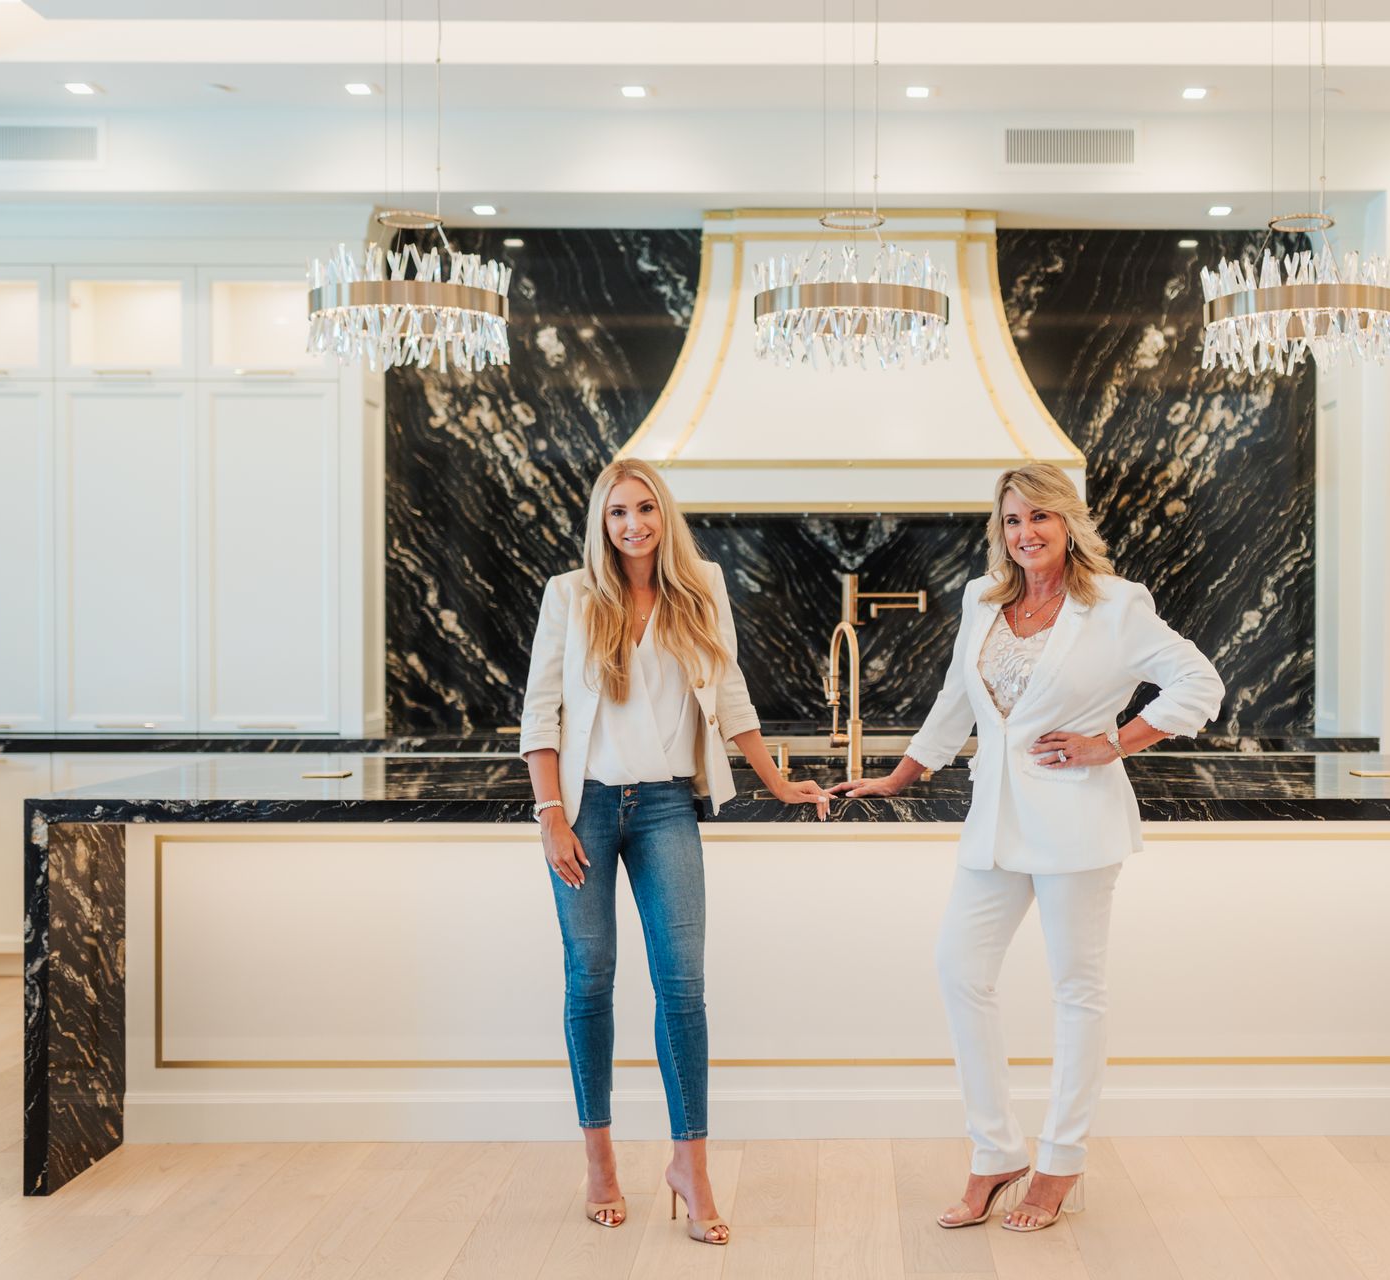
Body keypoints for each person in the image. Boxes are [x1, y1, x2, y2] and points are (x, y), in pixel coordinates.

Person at [833, 461, 1225, 1233]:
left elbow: (1198, 684)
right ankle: (995, 1151)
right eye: (1012, 521)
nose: (1025, 534)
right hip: (995, 825)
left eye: (1039, 518)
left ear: (1068, 523)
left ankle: (1060, 1162)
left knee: (1077, 994)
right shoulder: (984, 600)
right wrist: (902, 773)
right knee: (959, 970)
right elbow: (955, 701)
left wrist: (1112, 742)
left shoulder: (1115, 605)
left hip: (1078, 824)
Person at [519, 458, 832, 1246]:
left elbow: (731, 700)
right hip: (584, 810)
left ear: (666, 516)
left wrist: (781, 782)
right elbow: (541, 714)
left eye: (647, 508)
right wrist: (550, 813)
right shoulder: (569, 595)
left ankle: (689, 1166)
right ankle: (599, 1163)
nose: (634, 524)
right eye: (619, 511)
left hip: (665, 807)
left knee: (682, 989)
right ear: (602, 521)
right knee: (589, 979)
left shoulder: (702, 588)